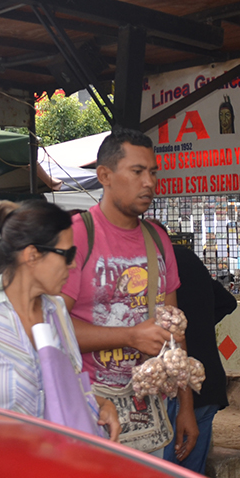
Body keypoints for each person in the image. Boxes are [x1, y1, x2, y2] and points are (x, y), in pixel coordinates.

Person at [0, 199, 120, 440]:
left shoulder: (57, 312)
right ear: (32, 255)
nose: (72, 264)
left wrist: (102, 405)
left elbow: (67, 389)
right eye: (67, 254)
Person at [61, 128, 198, 457]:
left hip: (149, 411)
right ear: (105, 176)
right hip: (89, 406)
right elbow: (52, 329)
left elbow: (173, 330)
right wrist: (130, 336)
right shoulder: (76, 237)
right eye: (137, 172)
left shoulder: (158, 240)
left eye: (152, 172)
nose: (149, 182)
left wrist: (186, 406)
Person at [161, 239, 238, 474]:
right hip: (209, 381)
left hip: (178, 390)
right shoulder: (188, 259)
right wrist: (200, 326)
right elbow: (228, 302)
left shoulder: (155, 264)